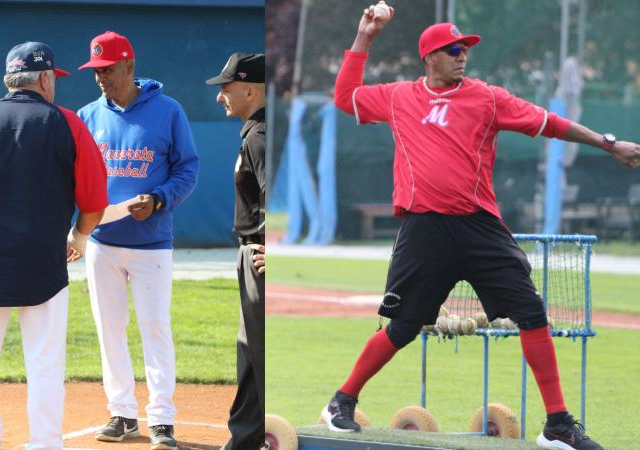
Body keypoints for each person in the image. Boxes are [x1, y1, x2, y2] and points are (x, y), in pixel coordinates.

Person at [321, 4, 640, 450]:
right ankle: (341, 401)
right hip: (425, 229)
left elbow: (550, 124)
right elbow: (344, 96)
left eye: (465, 48)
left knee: (532, 313)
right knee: (402, 327)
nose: (462, 55)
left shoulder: (487, 98)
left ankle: (558, 425)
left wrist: (608, 144)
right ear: (429, 57)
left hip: (479, 227)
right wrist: (365, 37)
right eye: (453, 49)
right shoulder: (398, 96)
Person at [0, 41, 108, 449]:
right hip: (44, 261)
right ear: (45, 78)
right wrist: (79, 238)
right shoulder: (68, 123)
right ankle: (45, 443)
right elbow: (95, 202)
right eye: (55, 79)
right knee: (45, 364)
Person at [76, 31, 199, 449]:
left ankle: (162, 419)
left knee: (155, 329)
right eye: (96, 71)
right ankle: (122, 413)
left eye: (107, 69)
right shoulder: (87, 116)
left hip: (151, 242)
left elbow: (188, 169)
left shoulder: (167, 111)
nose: (100, 78)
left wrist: (160, 198)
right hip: (102, 243)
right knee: (109, 330)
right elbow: (74, 178)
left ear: (129, 64)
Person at [206, 53, 266, 450]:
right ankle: (244, 438)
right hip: (250, 254)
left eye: (226, 88)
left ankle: (270, 432)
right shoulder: (256, 132)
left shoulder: (260, 137)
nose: (220, 97)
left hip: (260, 258)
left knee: (262, 353)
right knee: (249, 351)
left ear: (249, 89)